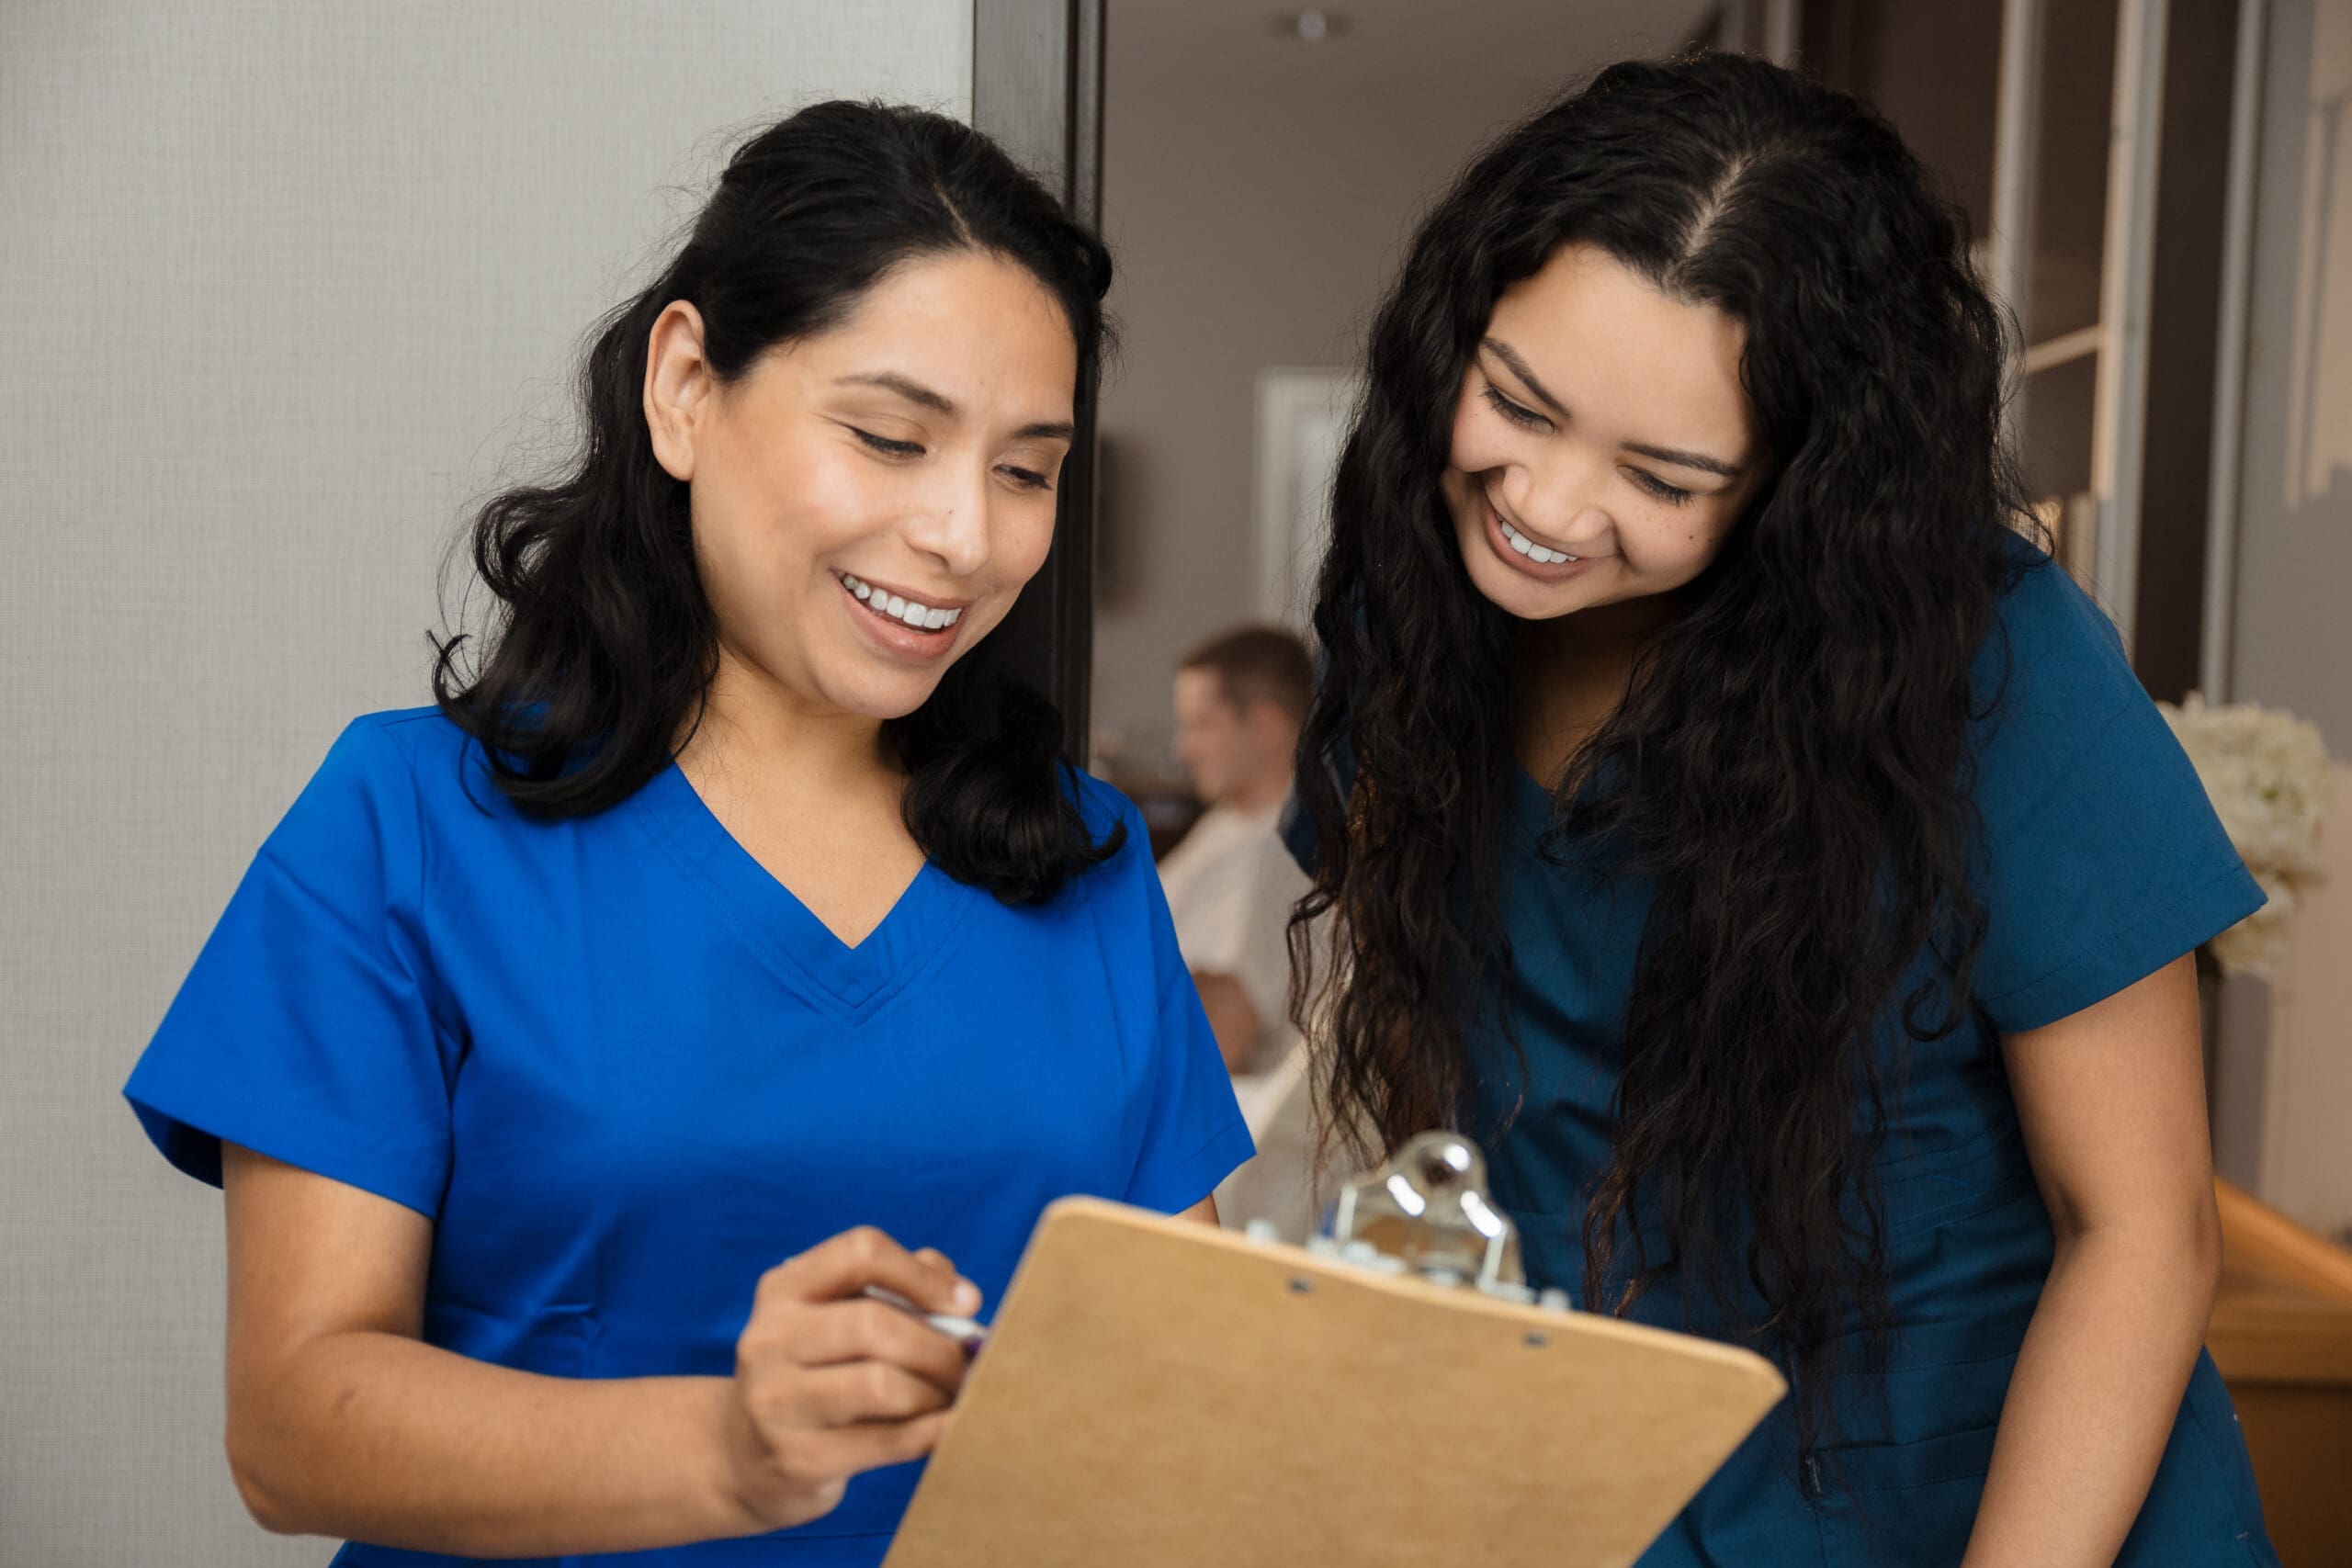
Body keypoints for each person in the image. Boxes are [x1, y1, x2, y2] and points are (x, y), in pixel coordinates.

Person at [123, 101, 1250, 1568]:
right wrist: (727, 1448)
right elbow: (294, 1422)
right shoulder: (407, 825)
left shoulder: (1083, 858)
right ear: (685, 388)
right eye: (891, 436)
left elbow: (1191, 1379)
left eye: (1026, 469)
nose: (967, 537)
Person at [1287, 54, 2278, 1566]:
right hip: (1615, 1498)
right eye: (1519, 403)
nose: (1545, 506)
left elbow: (2143, 1232)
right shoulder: (1413, 614)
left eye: (1662, 474)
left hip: (1989, 1510)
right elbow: (1455, 1099)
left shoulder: (1991, 665)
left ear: (1792, 489)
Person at [1160, 625, 1314, 1077]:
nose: (1182, 748)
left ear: (1265, 725)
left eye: (1202, 725)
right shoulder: (1224, 825)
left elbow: (1217, 1039)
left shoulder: (1287, 852)